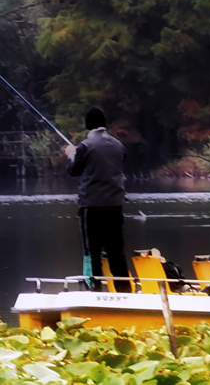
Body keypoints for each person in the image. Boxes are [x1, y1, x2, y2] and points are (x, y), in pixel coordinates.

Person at [66, 107, 132, 292]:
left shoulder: (85, 146)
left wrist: (72, 154)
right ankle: (124, 291)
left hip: (91, 206)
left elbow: (73, 170)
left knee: (91, 251)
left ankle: (92, 289)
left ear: (88, 125)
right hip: (115, 206)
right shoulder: (119, 146)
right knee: (116, 252)